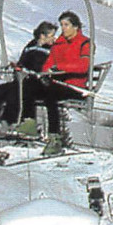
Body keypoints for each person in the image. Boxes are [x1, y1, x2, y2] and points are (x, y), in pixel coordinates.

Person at [18, 10, 91, 155]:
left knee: (50, 93)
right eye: (62, 25)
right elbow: (49, 62)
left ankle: (55, 137)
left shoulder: (84, 43)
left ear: (75, 27)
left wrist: (60, 68)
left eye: (66, 25)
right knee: (29, 84)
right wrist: (45, 73)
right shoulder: (59, 43)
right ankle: (29, 122)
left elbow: (83, 65)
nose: (63, 28)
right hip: (57, 83)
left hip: (74, 86)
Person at [0, 20, 56, 125]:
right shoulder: (31, 46)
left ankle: (22, 123)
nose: (53, 38)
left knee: (21, 92)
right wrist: (18, 68)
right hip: (24, 80)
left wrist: (41, 75)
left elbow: (51, 67)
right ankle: (1, 120)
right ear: (42, 36)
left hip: (41, 85)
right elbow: (23, 62)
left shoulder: (53, 49)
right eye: (51, 36)